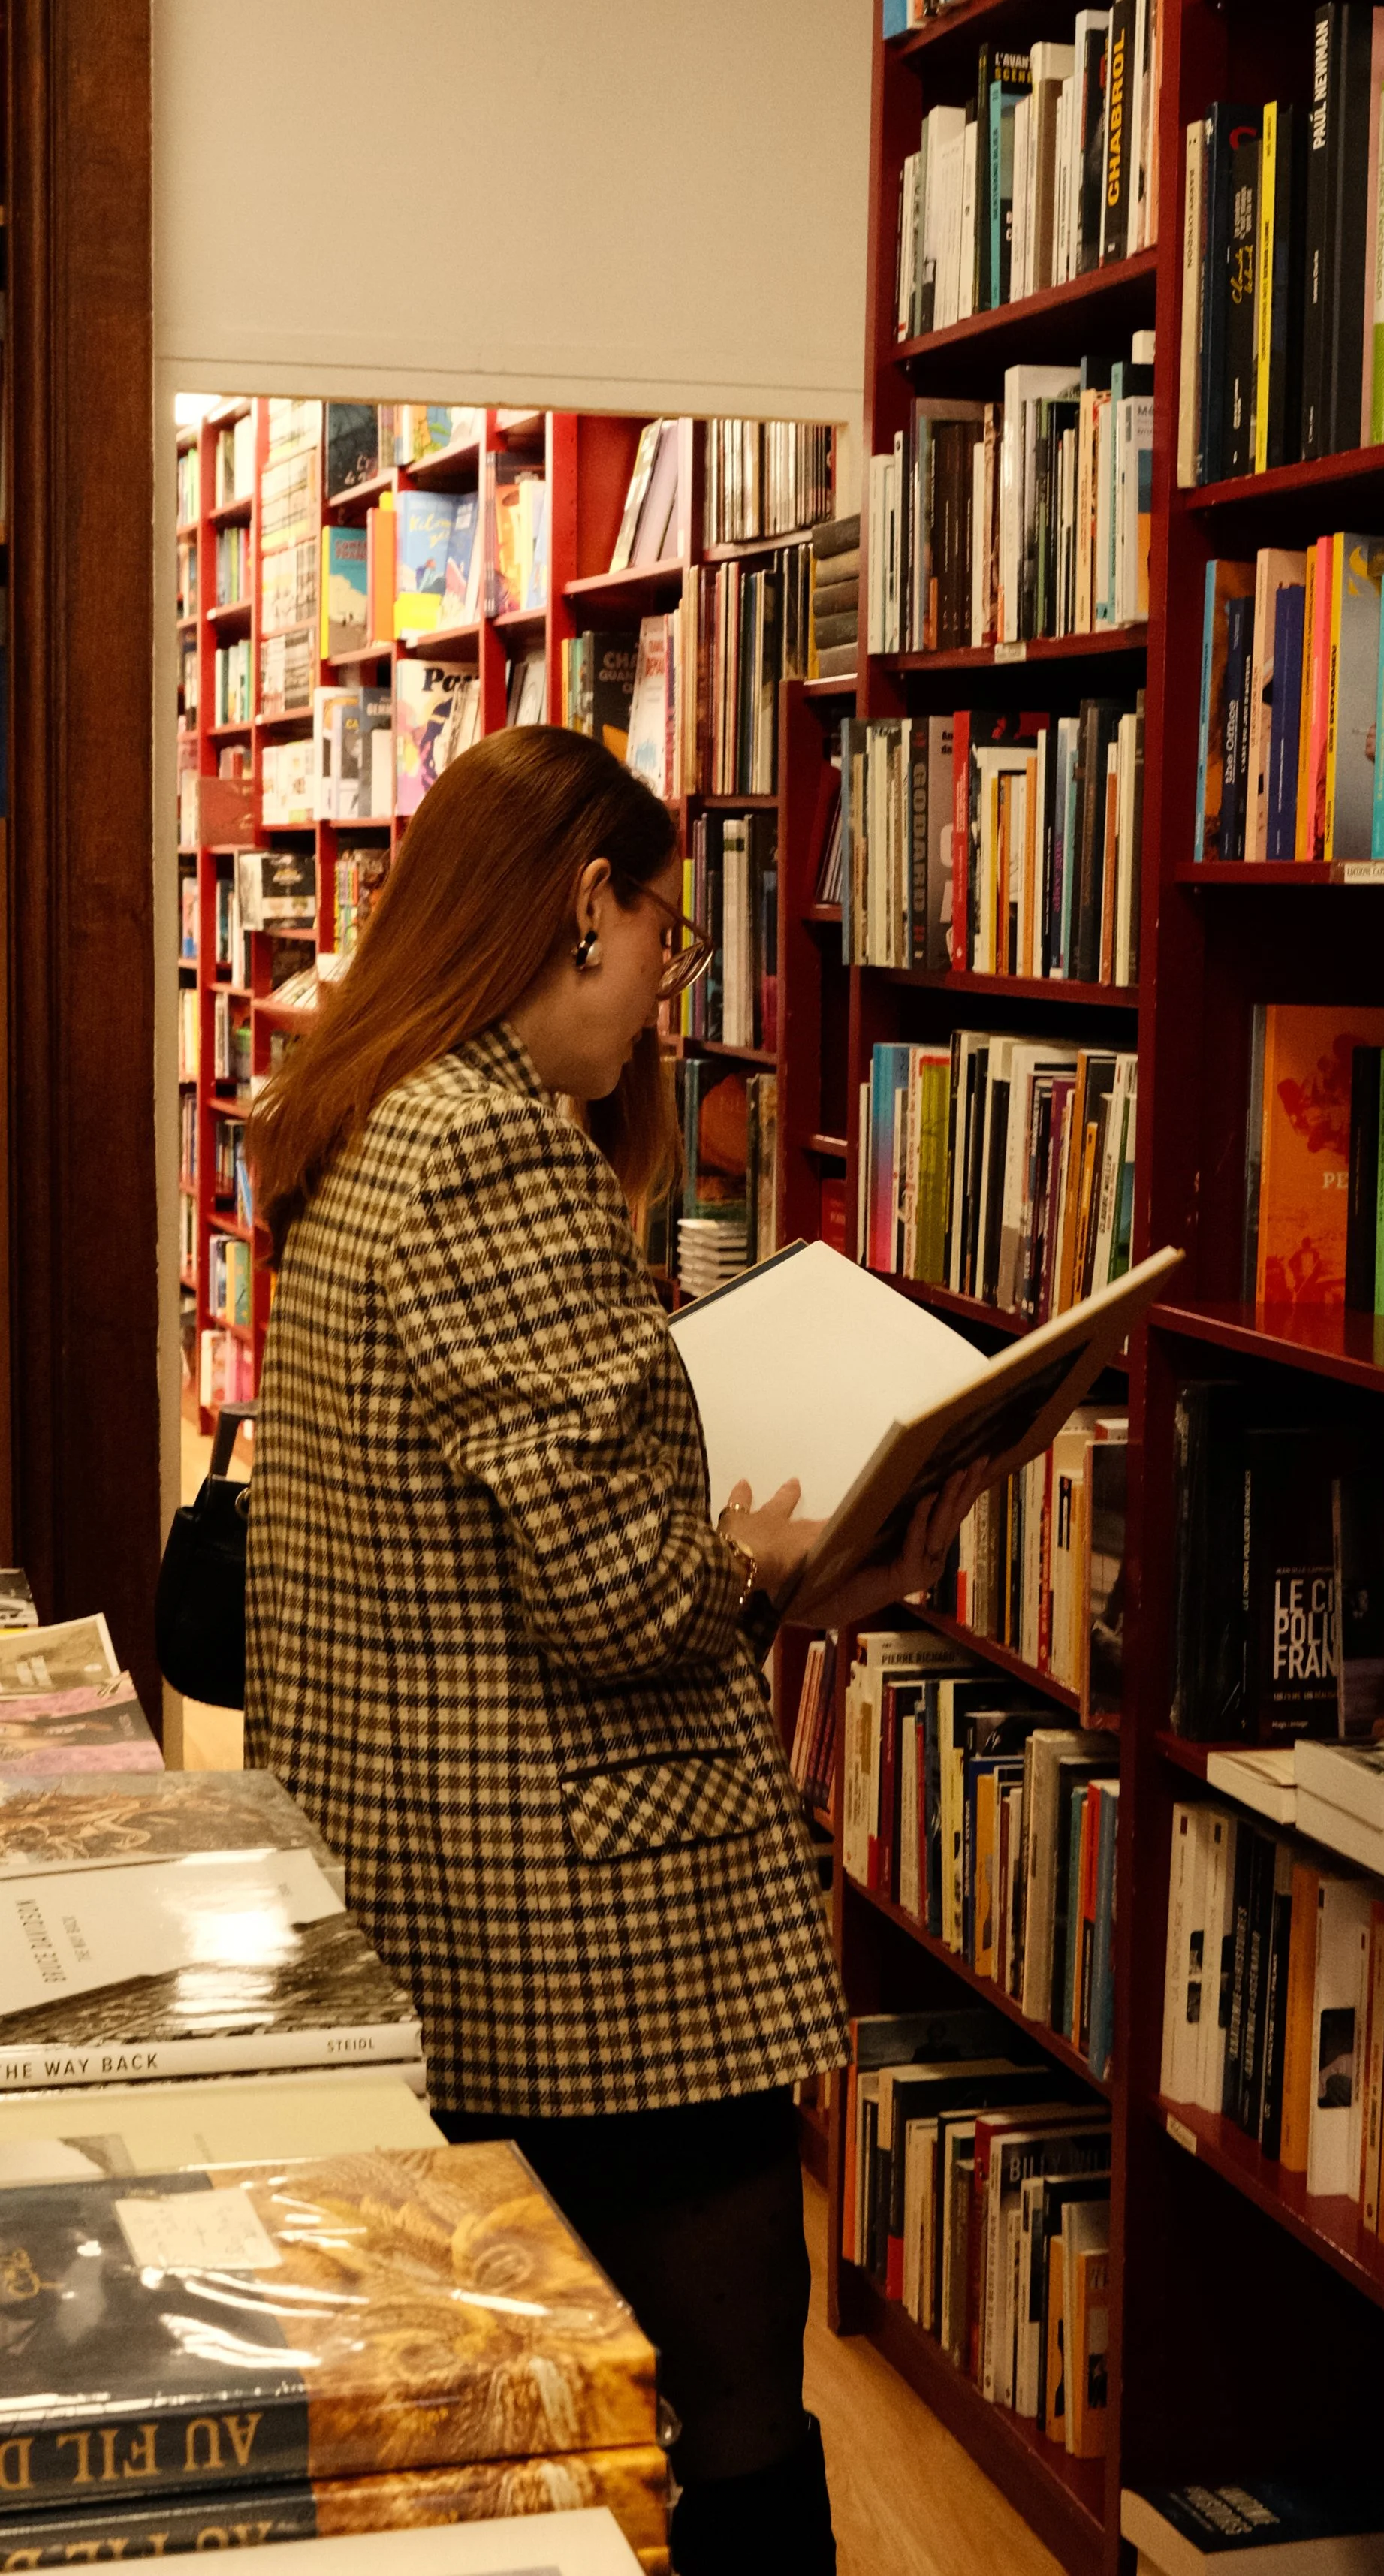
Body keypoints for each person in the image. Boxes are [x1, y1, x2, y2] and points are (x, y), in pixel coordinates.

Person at [246, 726, 979, 2576]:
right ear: (587, 908)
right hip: (576, 1927)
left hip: (445, 1880)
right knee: (728, 2397)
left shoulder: (375, 1107)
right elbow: (615, 1598)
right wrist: (772, 1568)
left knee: (543, 2424)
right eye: (666, 933)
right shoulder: (490, 1153)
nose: (670, 989)